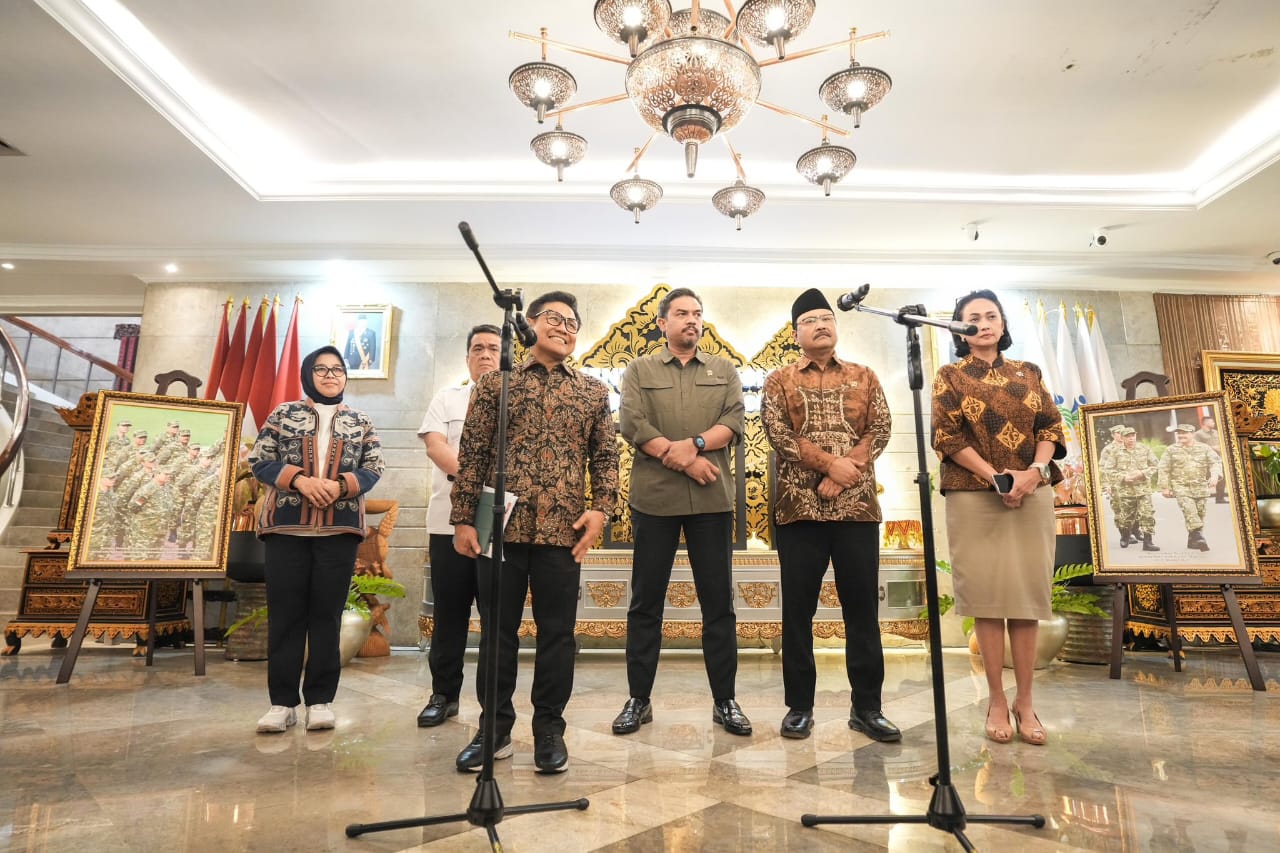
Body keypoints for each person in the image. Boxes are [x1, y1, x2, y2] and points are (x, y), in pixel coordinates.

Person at [450, 291, 618, 774]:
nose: (564, 328)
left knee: (557, 636)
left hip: (562, 532)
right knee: (496, 635)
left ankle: (549, 729)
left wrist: (601, 510)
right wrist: (464, 518)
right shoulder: (494, 386)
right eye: (554, 319)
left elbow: (605, 457)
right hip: (500, 531)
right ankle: (495, 729)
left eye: (572, 323)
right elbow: (474, 454)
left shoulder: (592, 390)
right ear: (528, 325)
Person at [761, 288, 898, 742]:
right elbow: (778, 433)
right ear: (796, 332)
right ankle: (799, 707)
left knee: (862, 613)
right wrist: (827, 464)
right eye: (810, 320)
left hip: (857, 509)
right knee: (797, 614)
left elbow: (881, 428)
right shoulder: (779, 379)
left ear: (835, 328)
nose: (821, 324)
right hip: (799, 510)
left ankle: (868, 708)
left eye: (827, 318)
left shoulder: (865, 376)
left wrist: (845, 471)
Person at [612, 288, 750, 738]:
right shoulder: (639, 369)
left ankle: (725, 701)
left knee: (718, 605)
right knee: (645, 603)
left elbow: (733, 422)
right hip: (654, 500)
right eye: (682, 314)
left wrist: (689, 447)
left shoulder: (724, 369)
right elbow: (633, 423)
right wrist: (688, 460)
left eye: (697, 314)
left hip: (712, 502)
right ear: (662, 323)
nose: (691, 321)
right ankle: (638, 699)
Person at [931, 289, 1065, 747]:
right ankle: (994, 698)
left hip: (1032, 492)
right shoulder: (949, 375)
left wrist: (1031, 473)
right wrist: (996, 479)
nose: (984, 323)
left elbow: (1051, 428)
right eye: (974, 317)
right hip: (974, 495)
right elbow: (945, 436)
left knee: (1026, 599)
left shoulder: (1029, 373)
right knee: (988, 600)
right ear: (959, 328)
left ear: (1004, 325)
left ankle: (1025, 701)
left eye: (992, 316)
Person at [249, 346, 384, 734]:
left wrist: (339, 486)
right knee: (286, 615)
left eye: (337, 370)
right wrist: (301, 480)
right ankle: (282, 704)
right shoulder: (283, 414)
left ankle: (321, 701)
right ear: (309, 375)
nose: (330, 375)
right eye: (321, 369)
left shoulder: (360, 421)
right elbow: (260, 460)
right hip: (286, 529)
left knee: (326, 616)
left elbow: (374, 466)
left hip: (338, 530)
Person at [415, 323, 501, 727]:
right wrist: (474, 484)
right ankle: (443, 694)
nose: (485, 354)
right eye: (477, 348)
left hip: (500, 523)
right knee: (449, 612)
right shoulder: (447, 398)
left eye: (493, 348)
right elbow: (436, 445)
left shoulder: (515, 401)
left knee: (495, 616)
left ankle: (493, 704)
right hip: (448, 522)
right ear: (467, 357)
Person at [1159, 423, 1222, 551]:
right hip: (1180, 487)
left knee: (1199, 514)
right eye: (1179, 433)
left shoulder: (1204, 448)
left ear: (1192, 434)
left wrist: (1215, 476)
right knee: (1190, 511)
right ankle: (1199, 537)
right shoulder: (1171, 450)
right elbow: (1163, 468)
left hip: (1200, 486)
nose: (1181, 435)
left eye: (1184, 433)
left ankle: (1192, 540)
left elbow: (1215, 462)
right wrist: (1164, 487)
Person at [1102, 427, 1160, 551]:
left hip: (1143, 489)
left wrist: (1143, 473)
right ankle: (1125, 535)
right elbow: (1108, 470)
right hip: (1125, 491)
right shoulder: (1115, 452)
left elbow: (1155, 465)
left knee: (1147, 514)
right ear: (1122, 438)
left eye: (1133, 435)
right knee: (1127, 517)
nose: (1131, 438)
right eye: (1128, 436)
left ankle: (1148, 542)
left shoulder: (1144, 449)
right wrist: (1123, 477)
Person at [1193, 417, 1228, 503]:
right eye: (1211, 421)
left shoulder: (1216, 432)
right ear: (1205, 423)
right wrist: (1213, 447)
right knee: (1203, 479)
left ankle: (1220, 498)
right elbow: (1196, 446)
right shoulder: (1198, 434)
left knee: (1221, 478)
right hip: (1205, 460)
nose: (1213, 423)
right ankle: (1198, 498)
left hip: (1217, 459)